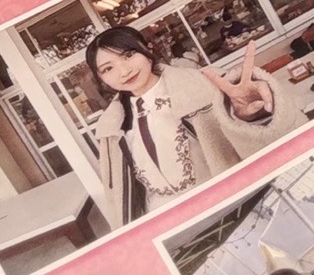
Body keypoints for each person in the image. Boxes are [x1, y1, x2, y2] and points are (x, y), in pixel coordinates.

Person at [81, 26, 302, 227]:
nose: (124, 71)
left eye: (129, 55)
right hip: (170, 228)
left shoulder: (203, 86)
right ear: (101, 79)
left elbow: (262, 143)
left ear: (147, 49)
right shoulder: (112, 128)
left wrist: (248, 115)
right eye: (108, 68)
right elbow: (121, 198)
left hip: (232, 211)